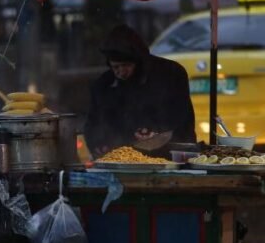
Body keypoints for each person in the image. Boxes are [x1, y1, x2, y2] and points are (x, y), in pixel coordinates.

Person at [84, 24, 196, 158]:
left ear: (138, 62)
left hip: (171, 154)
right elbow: (95, 122)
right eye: (116, 67)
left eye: (126, 65)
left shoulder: (170, 73)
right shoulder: (104, 85)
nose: (121, 72)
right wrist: (98, 143)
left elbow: (179, 114)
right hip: (124, 157)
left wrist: (153, 129)